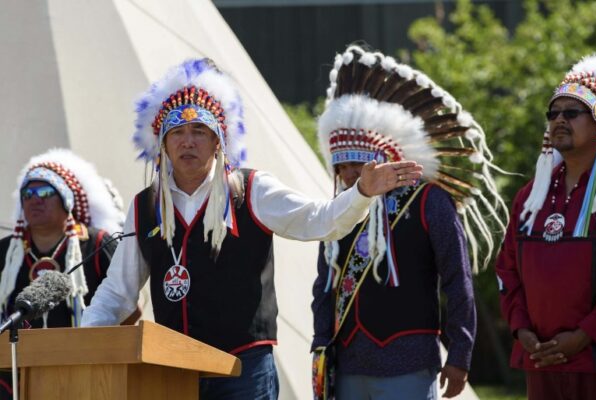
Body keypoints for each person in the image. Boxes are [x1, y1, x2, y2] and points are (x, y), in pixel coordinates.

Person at [80, 58, 423, 400]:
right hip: (174, 368)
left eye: (199, 131)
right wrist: (77, 341)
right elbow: (118, 291)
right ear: (163, 144)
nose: (188, 142)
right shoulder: (146, 206)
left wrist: (360, 192)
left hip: (242, 368)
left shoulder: (250, 189)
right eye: (177, 132)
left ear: (219, 141)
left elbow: (321, 221)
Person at [311, 44, 508, 400]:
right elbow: (324, 288)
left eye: (362, 164)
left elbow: (457, 281)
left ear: (384, 159)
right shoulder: (339, 208)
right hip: (348, 365)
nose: (354, 174)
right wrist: (320, 347)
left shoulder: (428, 201)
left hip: (410, 365)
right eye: (343, 167)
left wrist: (460, 355)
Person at [496, 54, 596, 400]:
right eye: (553, 114)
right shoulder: (532, 194)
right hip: (540, 362)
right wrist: (521, 329)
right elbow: (507, 268)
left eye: (571, 113)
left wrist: (584, 335)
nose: (558, 120)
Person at [0, 148, 127, 399]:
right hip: (15, 371)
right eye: (28, 193)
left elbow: (127, 300)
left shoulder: (96, 244)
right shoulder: (7, 251)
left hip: (82, 367)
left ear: (67, 201)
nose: (34, 200)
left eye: (45, 193)